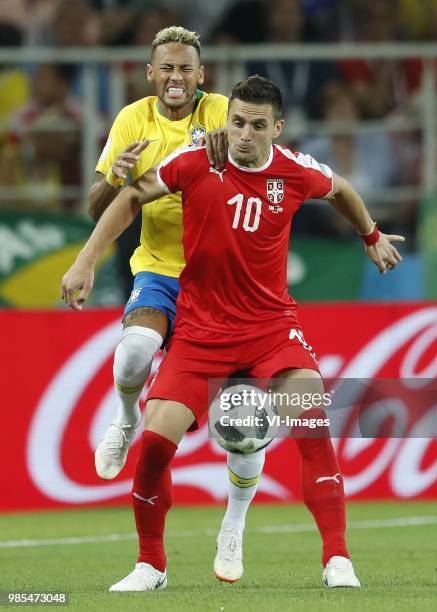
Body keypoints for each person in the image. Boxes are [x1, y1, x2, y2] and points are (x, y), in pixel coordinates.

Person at [62, 75, 404, 591]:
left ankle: (337, 558)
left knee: (312, 425)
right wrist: (86, 260)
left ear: (278, 129)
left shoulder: (294, 171)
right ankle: (150, 565)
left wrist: (371, 235)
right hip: (200, 332)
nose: (244, 134)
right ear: (228, 122)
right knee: (155, 444)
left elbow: (342, 190)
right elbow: (132, 196)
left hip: (270, 329)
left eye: (257, 126)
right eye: (237, 122)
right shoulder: (197, 161)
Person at [86, 26, 266, 583]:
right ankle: (124, 417)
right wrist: (117, 177)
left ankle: (233, 527)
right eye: (166, 68)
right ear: (150, 73)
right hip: (161, 269)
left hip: (226, 281)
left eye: (185, 68)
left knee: (244, 421)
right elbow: (99, 204)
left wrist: (236, 149)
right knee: (134, 353)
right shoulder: (131, 122)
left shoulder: (223, 113)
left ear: (201, 74)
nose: (175, 78)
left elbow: (263, 155)